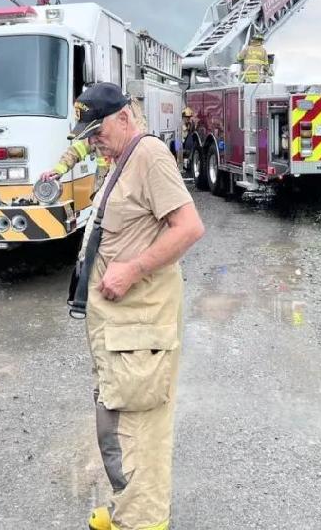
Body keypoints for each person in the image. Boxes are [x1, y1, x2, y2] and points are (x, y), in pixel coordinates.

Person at [69, 83, 205, 530]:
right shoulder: (121, 158)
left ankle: (144, 521)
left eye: (98, 130)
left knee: (138, 426)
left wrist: (131, 269)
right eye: (88, 133)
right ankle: (129, 509)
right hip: (121, 327)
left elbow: (188, 227)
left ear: (125, 118)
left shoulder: (149, 156)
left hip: (140, 325)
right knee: (118, 418)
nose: (93, 140)